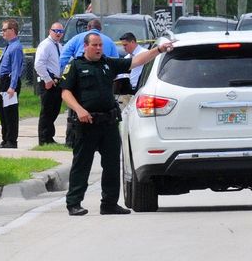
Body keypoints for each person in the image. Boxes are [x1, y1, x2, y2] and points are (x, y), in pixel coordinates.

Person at [60, 33, 173, 216]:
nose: (98, 48)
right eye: (94, 45)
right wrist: (79, 110)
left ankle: (109, 203)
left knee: (112, 165)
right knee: (81, 165)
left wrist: (159, 50)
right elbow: (65, 93)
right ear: (85, 46)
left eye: (100, 45)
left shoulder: (108, 63)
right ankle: (74, 203)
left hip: (109, 123)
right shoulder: (75, 66)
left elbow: (137, 61)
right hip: (86, 124)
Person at [59, 19, 118, 148]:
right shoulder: (108, 41)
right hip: (104, 82)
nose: (98, 48)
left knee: (74, 113)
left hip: (81, 82)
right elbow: (115, 61)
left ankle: (71, 140)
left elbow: (63, 57)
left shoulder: (76, 39)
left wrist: (66, 76)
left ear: (87, 28)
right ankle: (102, 143)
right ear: (100, 29)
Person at [0, 19, 24, 149]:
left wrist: (12, 86)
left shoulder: (16, 47)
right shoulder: (8, 46)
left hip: (10, 82)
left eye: (5, 30)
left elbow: (16, 69)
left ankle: (11, 140)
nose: (2, 32)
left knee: (10, 113)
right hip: (3, 81)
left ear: (12, 30)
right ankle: (5, 139)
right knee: (2, 111)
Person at [34, 22, 64, 145]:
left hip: (57, 81)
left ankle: (49, 137)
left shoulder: (59, 46)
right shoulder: (45, 45)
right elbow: (39, 64)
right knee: (47, 111)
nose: (58, 34)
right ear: (49, 31)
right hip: (48, 81)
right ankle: (43, 139)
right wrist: (47, 79)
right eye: (55, 31)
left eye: (60, 32)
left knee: (55, 110)